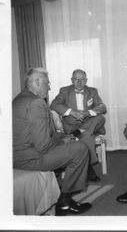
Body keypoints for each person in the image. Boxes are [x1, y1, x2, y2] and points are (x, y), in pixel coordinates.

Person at [13, 67, 92, 216]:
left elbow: (37, 133)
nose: (49, 87)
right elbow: (43, 146)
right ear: (37, 82)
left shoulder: (18, 99)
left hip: (15, 155)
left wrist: (62, 137)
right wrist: (64, 142)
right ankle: (65, 202)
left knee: (70, 142)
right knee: (80, 148)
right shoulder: (36, 102)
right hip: (28, 158)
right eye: (47, 83)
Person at [50, 69, 107, 182]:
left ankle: (80, 131)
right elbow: (54, 104)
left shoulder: (92, 91)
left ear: (86, 80)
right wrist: (71, 112)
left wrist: (87, 112)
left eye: (82, 79)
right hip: (71, 126)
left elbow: (102, 107)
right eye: (76, 79)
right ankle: (89, 167)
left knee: (100, 118)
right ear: (72, 80)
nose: (79, 82)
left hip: (89, 123)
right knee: (87, 137)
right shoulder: (65, 91)